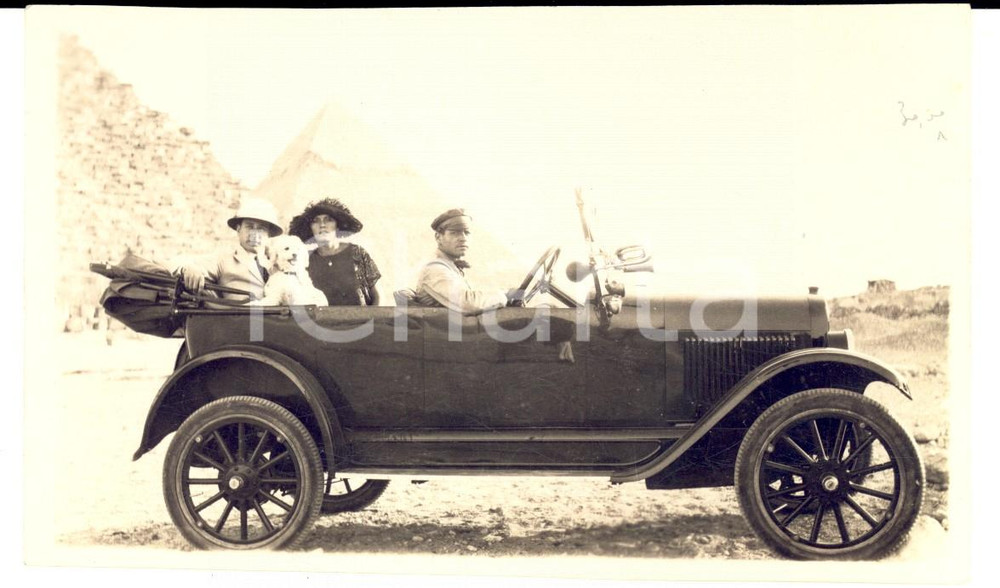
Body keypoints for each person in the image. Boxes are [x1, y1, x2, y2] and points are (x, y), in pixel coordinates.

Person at [175, 197, 282, 301]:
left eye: (261, 229)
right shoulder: (224, 259)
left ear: (268, 234)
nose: (254, 234)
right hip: (240, 317)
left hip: (280, 317)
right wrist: (190, 270)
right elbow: (191, 266)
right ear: (238, 229)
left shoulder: (280, 260)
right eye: (249, 227)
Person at [413, 208, 515, 314]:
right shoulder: (435, 269)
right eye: (455, 233)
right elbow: (467, 303)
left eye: (466, 233)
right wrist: (504, 295)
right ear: (438, 237)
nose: (463, 238)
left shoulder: (450, 268)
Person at [288, 198, 381, 306]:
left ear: (338, 225)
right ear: (311, 228)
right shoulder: (304, 260)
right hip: (319, 322)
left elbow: (378, 297)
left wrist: (372, 321)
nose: (322, 225)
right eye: (316, 221)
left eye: (328, 220)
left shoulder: (357, 253)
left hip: (360, 321)